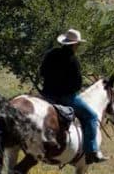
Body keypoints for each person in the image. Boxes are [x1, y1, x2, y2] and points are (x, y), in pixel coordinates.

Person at [40, 28, 107, 164]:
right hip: (66, 98)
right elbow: (77, 84)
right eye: (78, 44)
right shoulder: (73, 61)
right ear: (75, 44)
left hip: (47, 94)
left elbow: (42, 72)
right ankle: (92, 151)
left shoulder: (50, 54)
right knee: (91, 116)